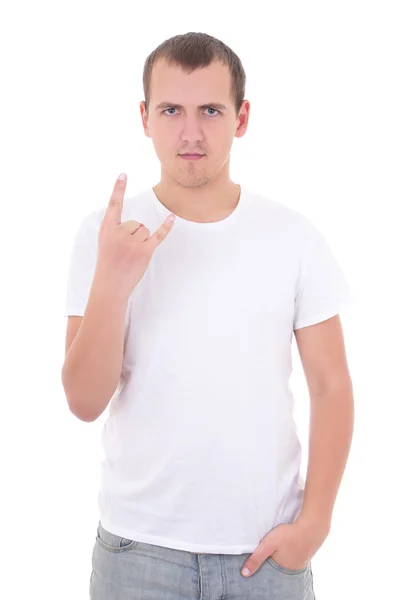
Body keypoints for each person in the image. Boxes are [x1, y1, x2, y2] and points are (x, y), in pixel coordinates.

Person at [62, 31, 354, 600]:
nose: (190, 133)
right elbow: (83, 401)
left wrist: (314, 524)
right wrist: (114, 283)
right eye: (171, 110)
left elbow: (331, 384)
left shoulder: (292, 236)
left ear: (241, 118)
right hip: (137, 553)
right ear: (145, 117)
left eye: (210, 111)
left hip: (265, 554)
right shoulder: (106, 235)